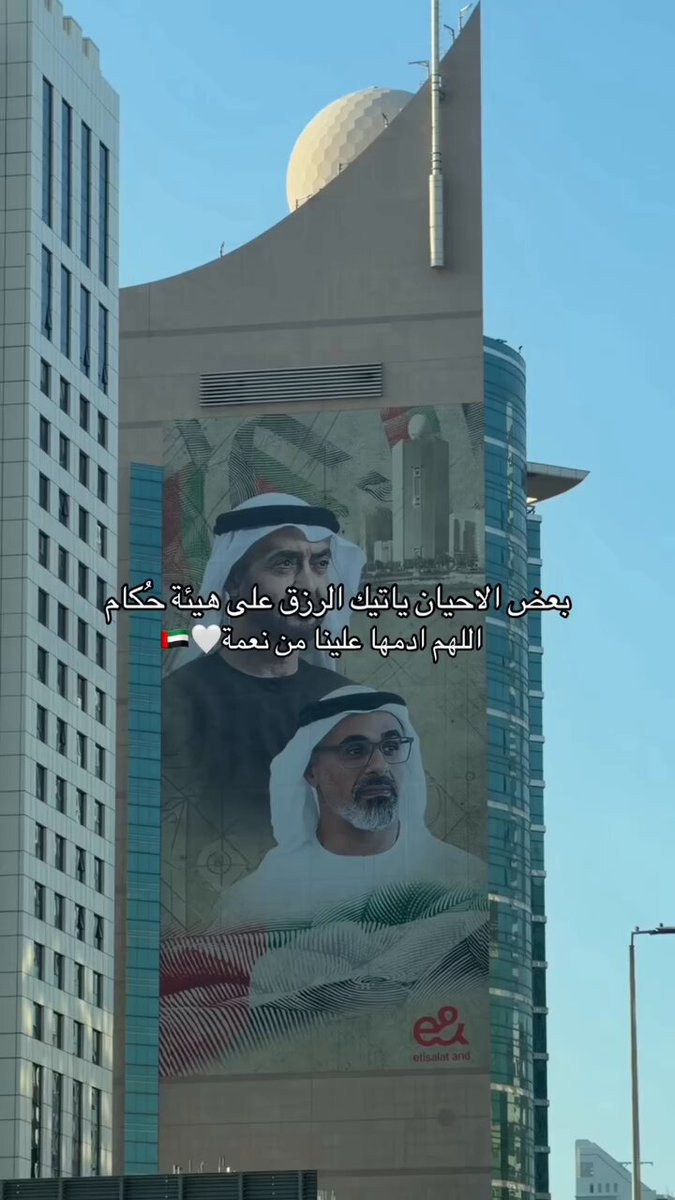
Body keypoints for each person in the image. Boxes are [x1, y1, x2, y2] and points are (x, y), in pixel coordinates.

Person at [162, 493, 366, 931]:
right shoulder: (178, 703)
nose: (309, 586)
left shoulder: (344, 704)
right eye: (285, 565)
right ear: (233, 583)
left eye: (320, 564)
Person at [213, 685, 486, 928]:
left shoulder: (465, 881)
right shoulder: (254, 903)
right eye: (355, 751)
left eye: (391, 747)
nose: (379, 766)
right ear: (310, 771)